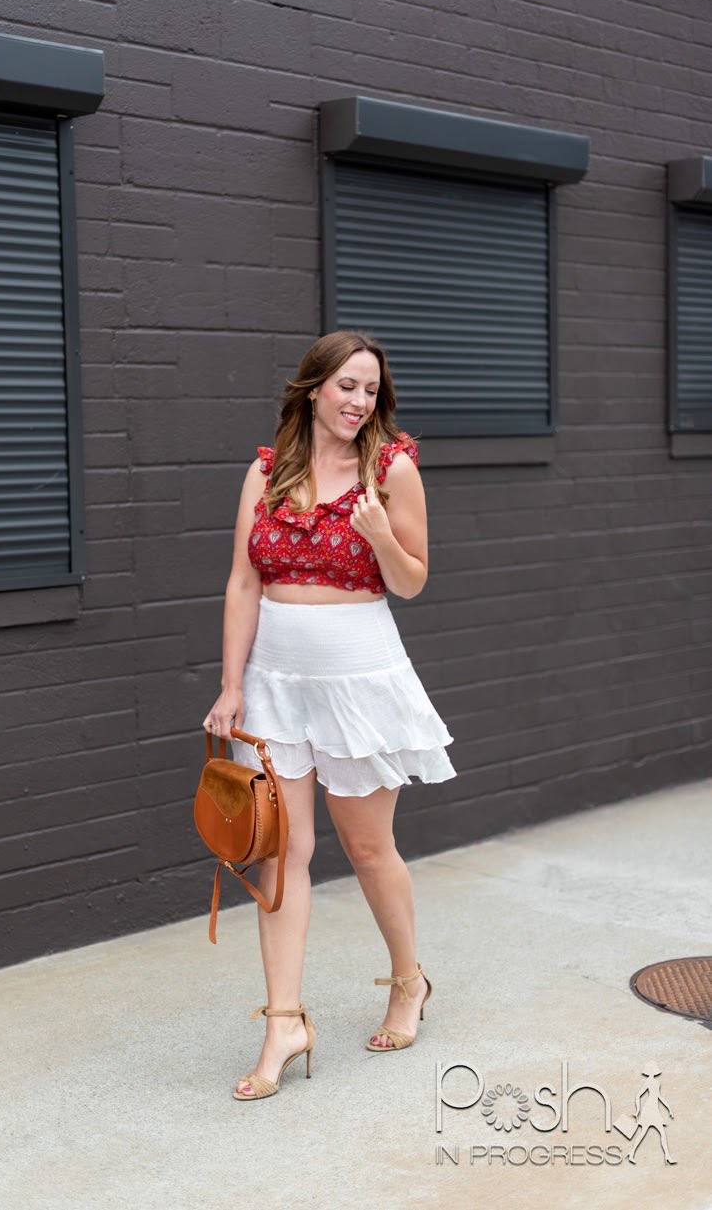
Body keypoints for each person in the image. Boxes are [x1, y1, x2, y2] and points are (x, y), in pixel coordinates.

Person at [202, 329, 456, 1101]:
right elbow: (244, 582)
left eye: (371, 389)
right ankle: (284, 1021)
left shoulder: (393, 469)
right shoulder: (266, 469)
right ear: (314, 388)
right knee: (281, 854)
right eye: (347, 385)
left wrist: (380, 534)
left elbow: (411, 581)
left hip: (358, 677)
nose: (359, 402)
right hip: (275, 681)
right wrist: (230, 683)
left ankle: (409, 979)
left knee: (368, 846)